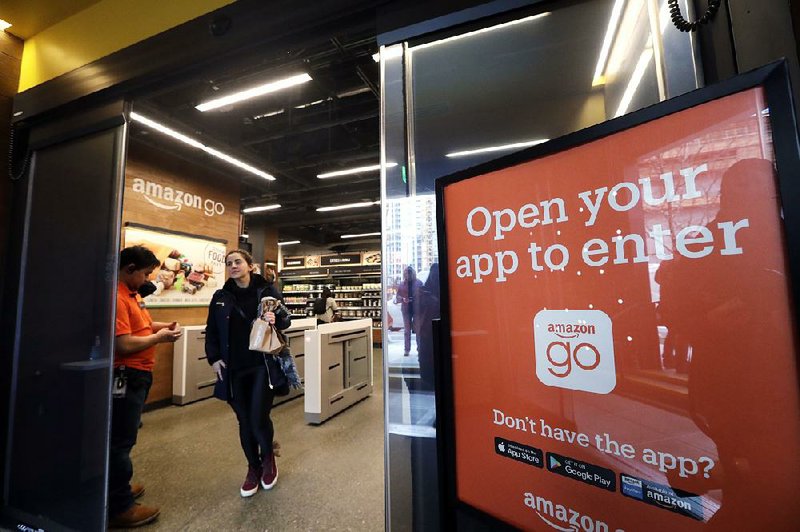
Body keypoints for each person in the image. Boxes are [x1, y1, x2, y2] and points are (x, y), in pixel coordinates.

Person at [205, 249, 291, 497]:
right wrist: (213, 358)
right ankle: (253, 467)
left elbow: (286, 321)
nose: (233, 266)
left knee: (258, 417)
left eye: (238, 262)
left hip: (261, 365)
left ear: (250, 266)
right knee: (244, 421)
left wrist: (277, 319)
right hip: (233, 369)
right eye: (229, 263)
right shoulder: (221, 297)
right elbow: (212, 330)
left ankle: (268, 462)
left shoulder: (266, 291)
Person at [109, 246, 183, 528]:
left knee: (124, 438)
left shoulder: (131, 295)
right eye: (145, 273)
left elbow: (142, 327)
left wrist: (162, 327)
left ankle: (119, 486)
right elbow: (124, 344)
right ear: (129, 269)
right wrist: (159, 338)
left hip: (139, 374)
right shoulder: (117, 297)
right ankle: (120, 505)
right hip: (127, 375)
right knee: (121, 442)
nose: (147, 279)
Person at [395, 266, 422, 356]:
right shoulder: (402, 284)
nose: (407, 274)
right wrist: (403, 299)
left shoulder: (419, 283)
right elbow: (397, 298)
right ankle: (407, 350)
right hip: (406, 309)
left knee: (418, 330)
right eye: (406, 273)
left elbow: (424, 296)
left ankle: (420, 349)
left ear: (413, 273)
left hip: (417, 309)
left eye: (409, 273)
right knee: (407, 331)